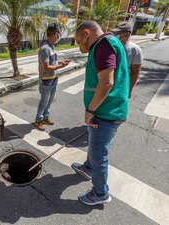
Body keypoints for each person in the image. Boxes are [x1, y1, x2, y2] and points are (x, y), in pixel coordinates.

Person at [71, 20, 129, 205]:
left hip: (105, 112)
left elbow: (106, 82)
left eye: (79, 41)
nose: (80, 47)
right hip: (107, 109)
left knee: (98, 154)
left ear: (87, 33)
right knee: (95, 145)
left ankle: (100, 193)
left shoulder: (103, 45)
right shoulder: (107, 42)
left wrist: (90, 110)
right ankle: (88, 168)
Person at [34, 23, 70, 131]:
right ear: (55, 34)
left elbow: (52, 62)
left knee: (49, 101)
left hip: (53, 79)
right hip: (46, 81)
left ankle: (45, 117)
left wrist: (60, 62)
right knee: (44, 102)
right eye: (58, 34)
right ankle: (38, 120)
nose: (59, 36)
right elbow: (45, 67)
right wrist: (60, 65)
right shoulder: (45, 49)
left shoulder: (51, 47)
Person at [111, 22, 143, 98]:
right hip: (107, 83)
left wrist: (129, 89)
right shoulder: (112, 45)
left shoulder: (134, 49)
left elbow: (135, 72)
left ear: (127, 34)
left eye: (118, 33)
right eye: (115, 33)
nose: (116, 35)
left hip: (121, 86)